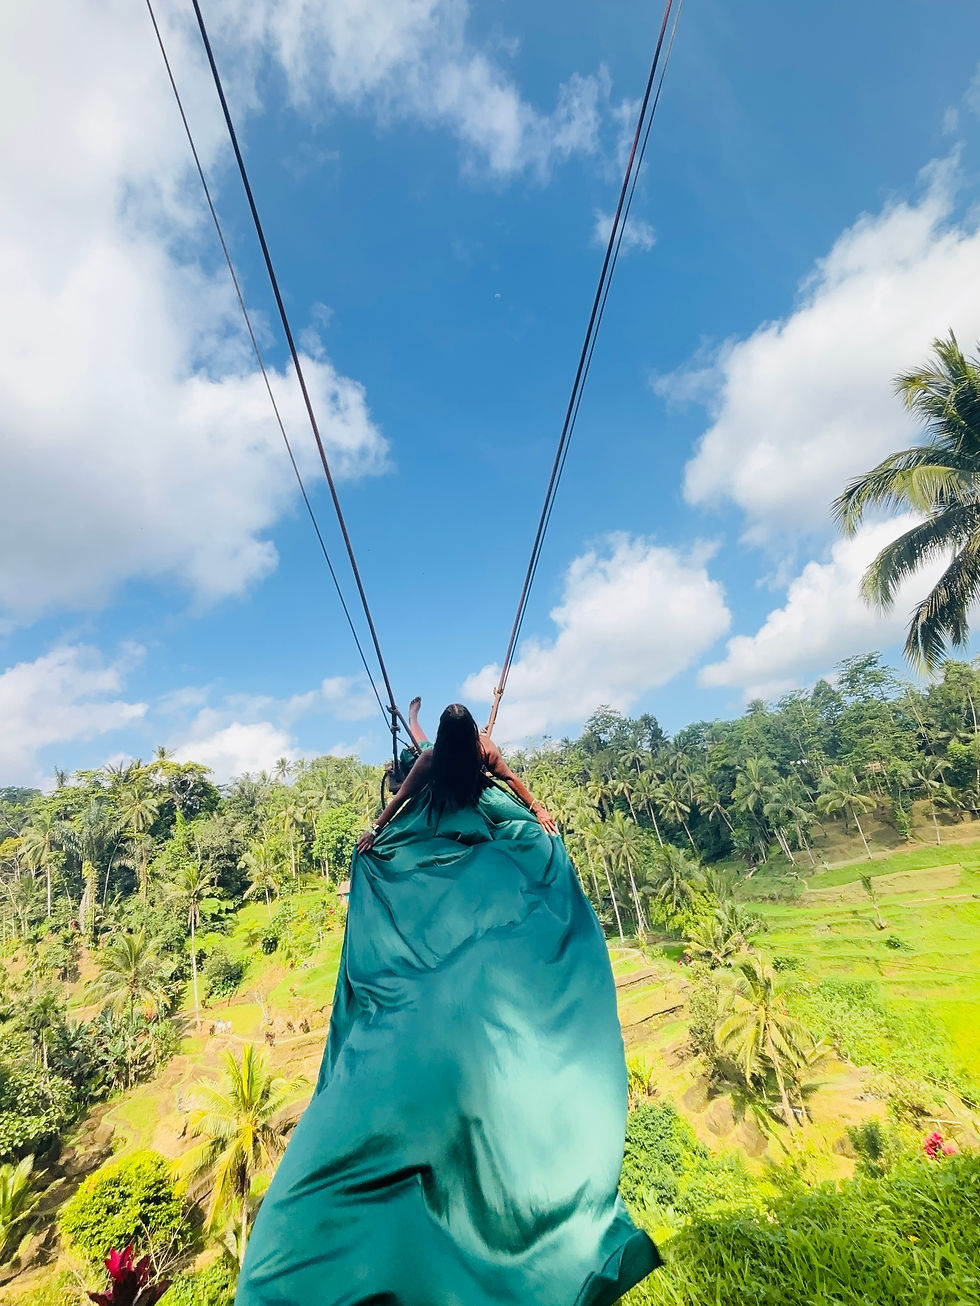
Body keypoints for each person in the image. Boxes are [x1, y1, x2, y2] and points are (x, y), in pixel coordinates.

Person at [236, 703, 660, 1306]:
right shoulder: (435, 762)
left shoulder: (476, 756)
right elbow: (404, 799)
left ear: (452, 743)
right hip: (443, 805)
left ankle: (407, 726)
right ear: (453, 743)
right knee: (420, 770)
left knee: (480, 843)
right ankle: (407, 724)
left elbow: (508, 784)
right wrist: (376, 833)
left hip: (467, 810)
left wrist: (538, 814)